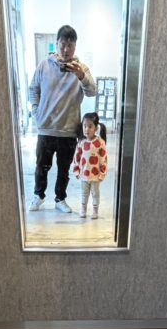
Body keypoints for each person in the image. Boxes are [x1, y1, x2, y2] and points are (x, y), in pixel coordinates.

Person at [27, 25, 97, 214]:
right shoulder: (44, 65)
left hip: (68, 130)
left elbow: (92, 91)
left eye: (70, 46)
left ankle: (60, 199)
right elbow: (33, 88)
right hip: (46, 127)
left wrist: (81, 76)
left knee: (64, 169)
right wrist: (36, 111)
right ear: (56, 43)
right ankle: (38, 196)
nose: (66, 50)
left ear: (75, 46)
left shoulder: (81, 68)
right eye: (63, 45)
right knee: (41, 167)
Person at [72, 111, 108, 219]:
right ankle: (83, 209)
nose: (86, 129)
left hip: (95, 176)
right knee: (84, 193)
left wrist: (102, 173)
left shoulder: (100, 142)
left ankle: (95, 211)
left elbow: (103, 159)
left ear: (96, 128)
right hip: (84, 175)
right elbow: (76, 157)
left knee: (95, 194)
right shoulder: (81, 142)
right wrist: (76, 170)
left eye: (90, 126)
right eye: (84, 126)